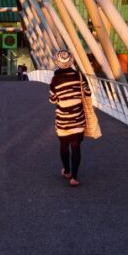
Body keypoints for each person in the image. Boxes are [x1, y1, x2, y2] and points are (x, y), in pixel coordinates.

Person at [48, 49, 90, 187]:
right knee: (76, 146)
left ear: (58, 63)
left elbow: (52, 100)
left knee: (64, 145)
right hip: (77, 116)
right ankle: (75, 178)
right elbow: (88, 92)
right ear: (71, 61)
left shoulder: (55, 79)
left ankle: (67, 171)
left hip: (63, 118)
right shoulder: (79, 76)